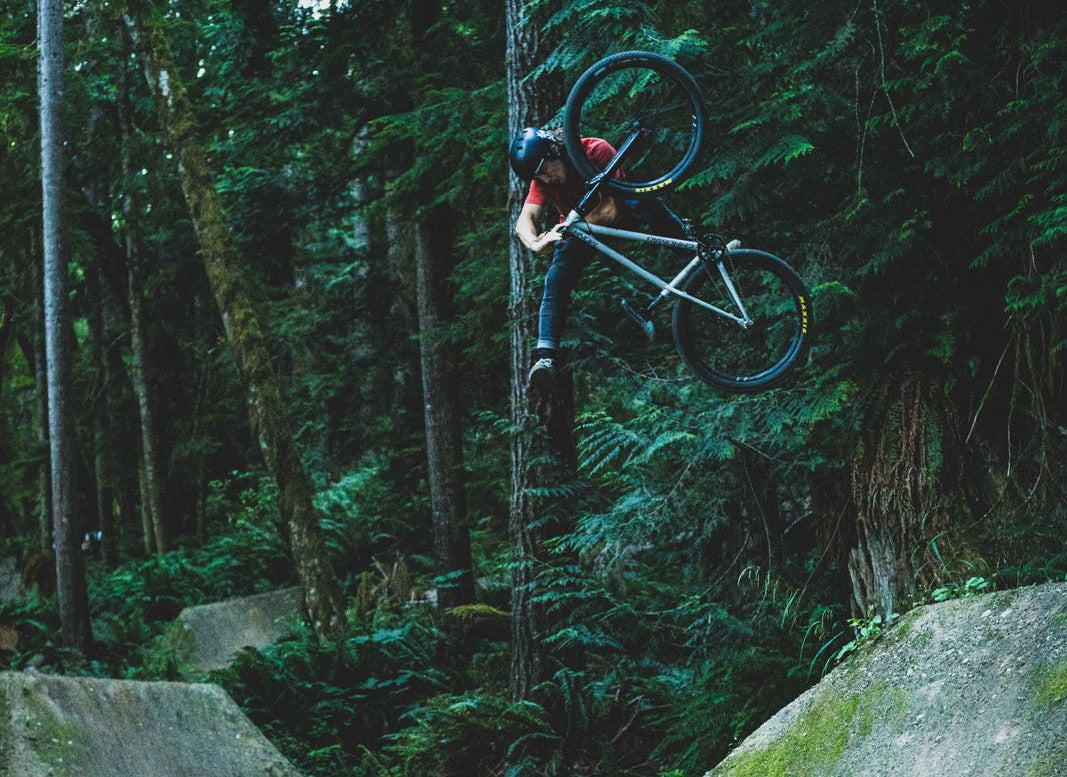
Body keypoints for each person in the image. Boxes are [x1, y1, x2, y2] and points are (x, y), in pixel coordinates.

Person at [510, 126, 685, 388]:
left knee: (646, 200)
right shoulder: (542, 178)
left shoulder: (594, 151)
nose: (544, 179)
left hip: (619, 211)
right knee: (556, 278)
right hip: (581, 229)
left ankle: (700, 252)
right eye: (538, 176)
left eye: (544, 171)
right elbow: (523, 222)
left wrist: (573, 227)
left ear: (553, 151)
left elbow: (611, 209)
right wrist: (536, 243)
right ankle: (545, 358)